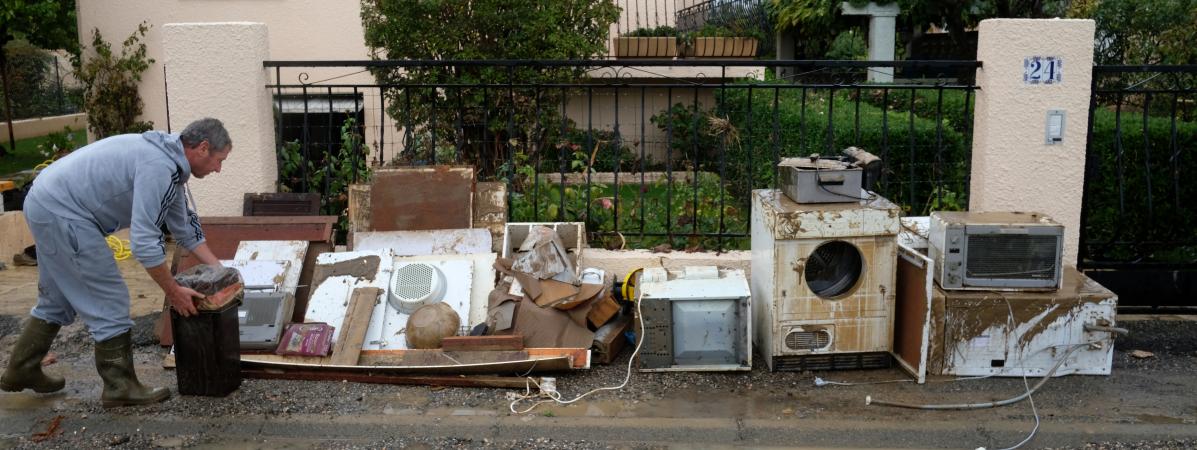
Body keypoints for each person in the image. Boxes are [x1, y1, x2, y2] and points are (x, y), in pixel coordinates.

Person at [0, 118, 230, 407]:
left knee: (57, 297)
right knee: (108, 297)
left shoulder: (169, 164)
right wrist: (173, 292)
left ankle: (22, 368)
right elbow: (145, 243)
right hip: (63, 211)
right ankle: (120, 385)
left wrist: (223, 271)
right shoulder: (159, 166)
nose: (219, 169)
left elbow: (184, 229)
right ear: (203, 148)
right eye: (219, 161)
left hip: (49, 203)